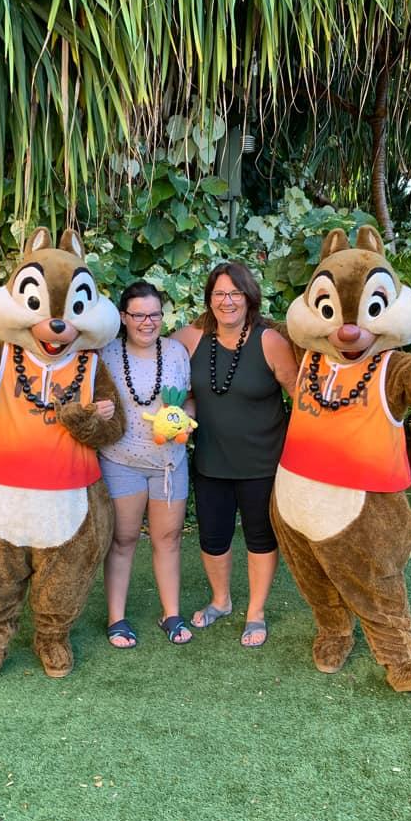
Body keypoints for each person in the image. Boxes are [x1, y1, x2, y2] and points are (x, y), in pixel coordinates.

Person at [172, 262, 299, 647]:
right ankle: (221, 601)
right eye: (219, 294)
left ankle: (255, 613)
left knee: (260, 537)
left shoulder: (270, 342)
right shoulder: (190, 339)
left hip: (262, 462)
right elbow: (160, 369)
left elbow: (301, 398)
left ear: (249, 298)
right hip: (212, 460)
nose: (227, 301)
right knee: (213, 537)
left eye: (235, 294)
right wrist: (179, 415)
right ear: (209, 299)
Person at [99, 281, 195, 647]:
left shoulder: (175, 353)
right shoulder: (106, 354)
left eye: (154, 314)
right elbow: (89, 402)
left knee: (168, 539)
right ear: (123, 317)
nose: (147, 322)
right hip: (121, 461)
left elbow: (188, 400)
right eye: (138, 315)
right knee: (122, 540)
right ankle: (116, 618)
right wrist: (98, 410)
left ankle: (171, 613)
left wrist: (184, 418)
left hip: (169, 464)